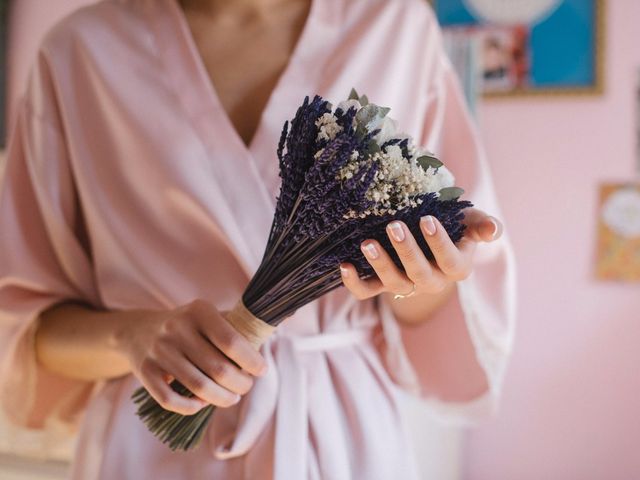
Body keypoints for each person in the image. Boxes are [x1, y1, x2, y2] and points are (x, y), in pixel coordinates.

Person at [0, 0, 516, 478]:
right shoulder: (81, 53)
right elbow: (22, 328)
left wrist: (422, 277)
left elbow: (439, 312)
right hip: (156, 445)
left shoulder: (394, 24)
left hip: (341, 438)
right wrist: (134, 336)